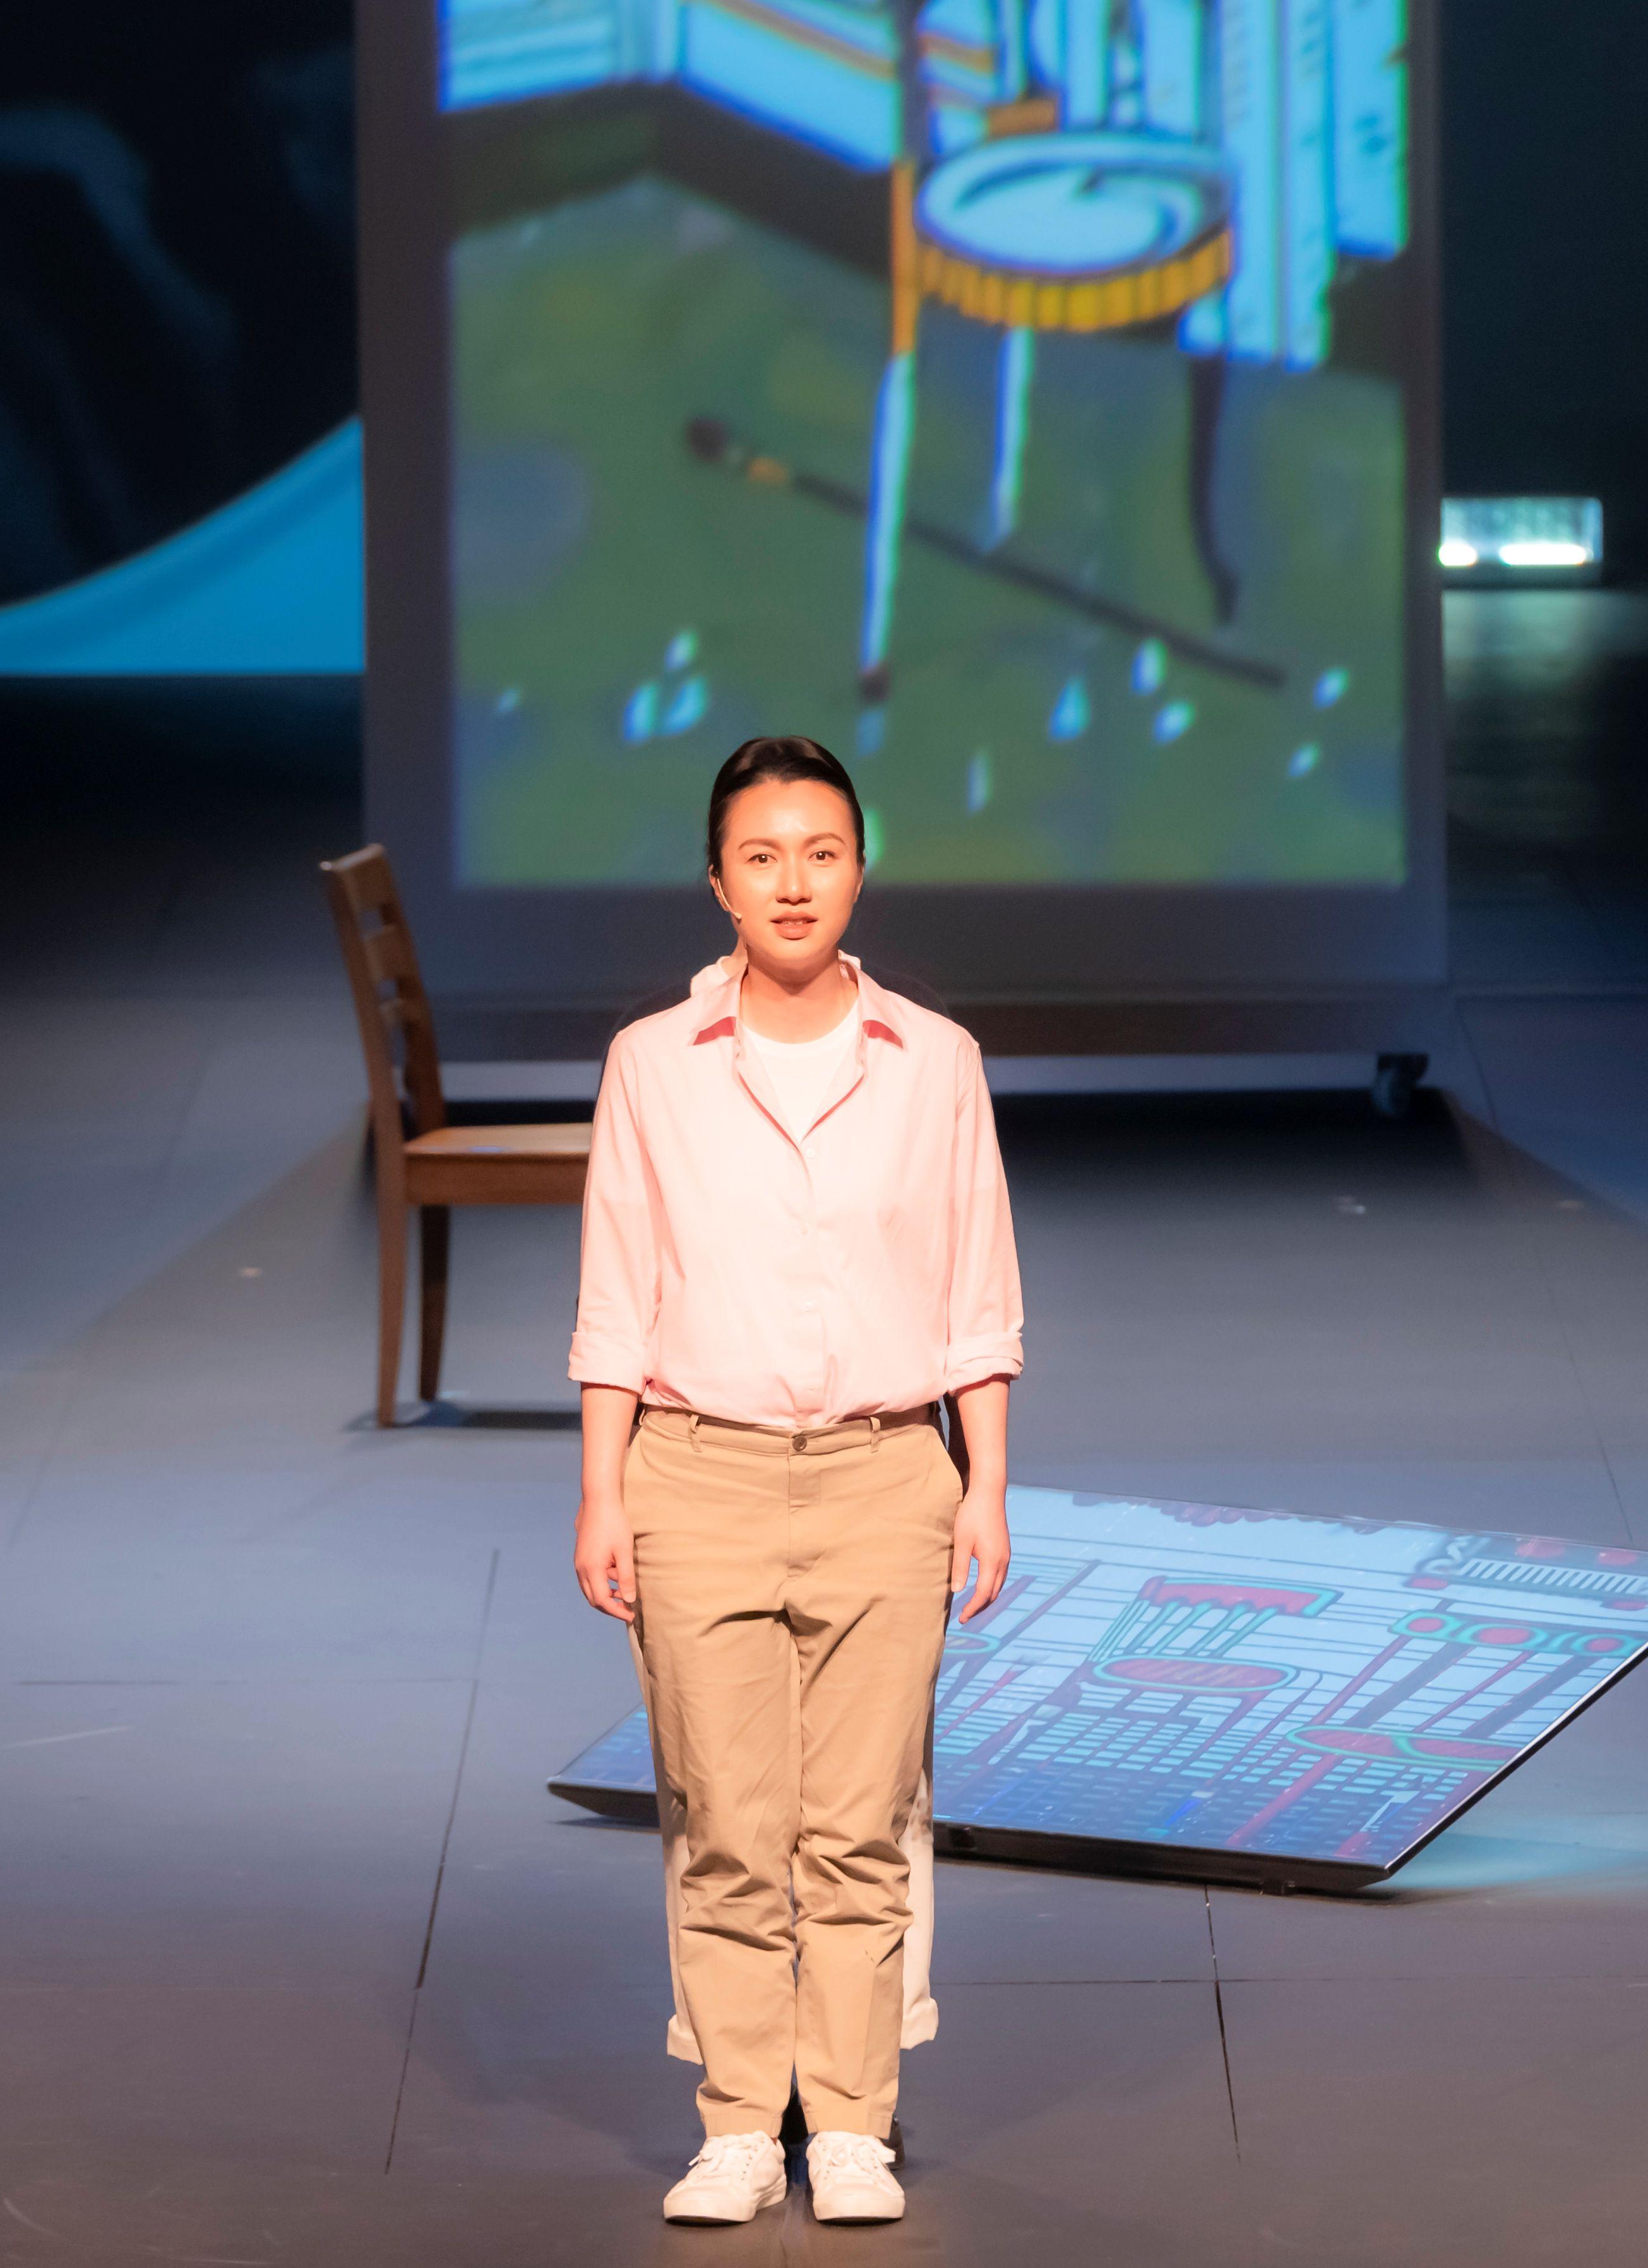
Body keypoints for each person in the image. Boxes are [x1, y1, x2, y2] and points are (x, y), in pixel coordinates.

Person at [568, 733, 1020, 2229]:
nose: (792, 883)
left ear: (859, 871)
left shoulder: (934, 1061)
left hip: (887, 1475)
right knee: (723, 1823)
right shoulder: (652, 1064)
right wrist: (602, 1491)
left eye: (820, 853)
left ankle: (849, 2123)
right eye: (760, 857)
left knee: (861, 1824)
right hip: (696, 1478)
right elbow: (616, 1297)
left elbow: (976, 1295)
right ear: (718, 882)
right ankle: (736, 2124)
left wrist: (984, 1485)